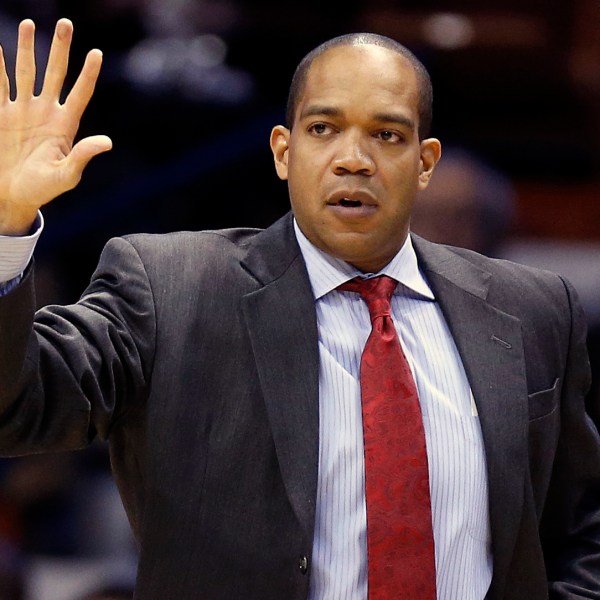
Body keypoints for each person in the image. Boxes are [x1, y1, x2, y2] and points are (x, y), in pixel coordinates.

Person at [0, 17, 599, 600]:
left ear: (425, 163)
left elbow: (581, 526)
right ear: (283, 151)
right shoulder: (171, 287)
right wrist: (6, 224)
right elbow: (16, 409)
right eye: (323, 129)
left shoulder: (536, 310)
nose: (353, 159)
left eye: (387, 135)